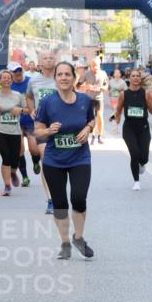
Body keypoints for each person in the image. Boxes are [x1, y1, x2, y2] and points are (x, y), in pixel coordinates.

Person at [34, 61, 96, 260]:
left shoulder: (85, 100)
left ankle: (78, 237)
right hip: (54, 160)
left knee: (78, 198)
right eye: (59, 74)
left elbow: (91, 120)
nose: (63, 78)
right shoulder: (48, 102)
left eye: (67, 74)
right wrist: (48, 130)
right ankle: (65, 243)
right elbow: (37, 130)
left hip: (80, 158)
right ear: (55, 79)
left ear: (73, 78)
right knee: (60, 203)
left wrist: (88, 129)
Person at [0, 69, 28, 196]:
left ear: (12, 80)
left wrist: (20, 109)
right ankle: (7, 186)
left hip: (15, 132)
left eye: (9, 78)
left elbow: (28, 109)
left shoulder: (18, 95)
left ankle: (13, 172)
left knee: (15, 161)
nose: (7, 79)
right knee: (6, 157)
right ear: (0, 80)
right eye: (4, 77)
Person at [113, 67, 152, 191]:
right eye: (132, 76)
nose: (135, 78)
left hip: (143, 127)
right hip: (129, 128)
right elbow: (118, 109)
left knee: (144, 157)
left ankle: (142, 163)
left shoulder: (146, 93)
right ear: (129, 78)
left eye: (137, 76)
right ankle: (136, 181)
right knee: (134, 153)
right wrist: (116, 122)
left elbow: (151, 109)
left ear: (140, 78)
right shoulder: (124, 94)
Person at [25, 50, 59, 213]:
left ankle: (59, 193)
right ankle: (51, 199)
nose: (48, 60)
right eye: (45, 58)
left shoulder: (62, 78)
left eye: (51, 58)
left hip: (61, 125)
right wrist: (32, 110)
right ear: (40, 62)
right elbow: (29, 97)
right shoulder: (34, 80)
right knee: (47, 159)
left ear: (55, 60)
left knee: (60, 162)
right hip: (42, 125)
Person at [83, 57, 108, 143]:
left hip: (99, 98)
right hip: (89, 99)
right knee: (92, 118)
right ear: (91, 65)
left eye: (96, 65)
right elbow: (78, 85)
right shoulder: (86, 74)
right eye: (93, 65)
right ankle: (93, 136)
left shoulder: (104, 73)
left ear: (99, 65)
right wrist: (87, 87)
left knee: (100, 117)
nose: (94, 67)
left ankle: (100, 136)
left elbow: (106, 87)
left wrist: (100, 88)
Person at [107, 68, 127, 133]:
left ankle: (112, 118)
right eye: (116, 73)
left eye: (118, 73)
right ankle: (114, 128)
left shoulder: (123, 82)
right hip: (113, 98)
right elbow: (108, 89)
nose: (117, 74)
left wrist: (121, 90)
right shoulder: (111, 81)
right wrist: (109, 92)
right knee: (116, 111)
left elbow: (126, 90)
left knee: (118, 113)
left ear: (120, 74)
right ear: (114, 74)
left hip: (121, 99)